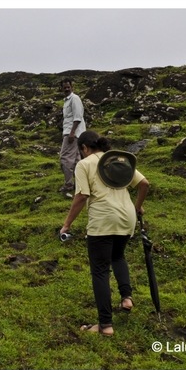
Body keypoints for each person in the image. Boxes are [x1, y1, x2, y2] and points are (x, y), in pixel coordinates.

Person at [60, 130, 150, 336]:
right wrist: (137, 206)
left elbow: (82, 196)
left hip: (103, 220)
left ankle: (105, 325)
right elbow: (144, 183)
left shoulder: (84, 164)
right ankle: (126, 298)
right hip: (127, 217)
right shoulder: (117, 160)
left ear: (84, 148)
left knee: (100, 270)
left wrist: (66, 225)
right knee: (118, 256)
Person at [58, 78, 86, 196]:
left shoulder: (74, 99)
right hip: (70, 132)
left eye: (68, 86)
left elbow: (78, 117)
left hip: (72, 134)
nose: (66, 89)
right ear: (62, 88)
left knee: (64, 157)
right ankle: (81, 183)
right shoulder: (66, 101)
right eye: (64, 87)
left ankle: (69, 184)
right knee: (76, 160)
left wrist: (72, 133)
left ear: (72, 87)